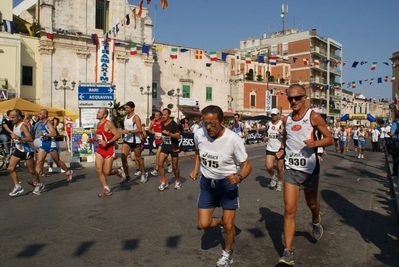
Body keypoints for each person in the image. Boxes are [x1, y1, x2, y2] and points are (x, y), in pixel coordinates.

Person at [274, 84, 333, 265]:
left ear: (304, 98)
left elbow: (329, 138)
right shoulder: (287, 119)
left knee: (312, 203)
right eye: (290, 98)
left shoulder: (313, 117)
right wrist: (282, 150)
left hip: (309, 169)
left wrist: (315, 144)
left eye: (297, 98)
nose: (293, 101)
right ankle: (288, 252)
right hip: (291, 169)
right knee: (289, 210)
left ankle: (315, 219)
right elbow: (286, 137)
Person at [189, 105, 252, 267]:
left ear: (222, 122)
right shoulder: (199, 133)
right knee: (203, 224)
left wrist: (238, 177)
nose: (208, 128)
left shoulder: (233, 139)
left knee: (230, 225)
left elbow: (247, 166)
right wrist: (196, 169)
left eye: (213, 124)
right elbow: (197, 151)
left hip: (227, 185)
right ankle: (222, 222)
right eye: (205, 123)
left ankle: (227, 252)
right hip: (207, 184)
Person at [35, 109, 73, 190]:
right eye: (39, 113)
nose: (39, 115)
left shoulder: (48, 122)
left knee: (57, 161)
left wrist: (44, 134)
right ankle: (35, 180)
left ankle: (68, 171)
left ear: (45, 115)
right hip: (44, 144)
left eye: (40, 113)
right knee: (39, 161)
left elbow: (54, 133)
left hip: (51, 144)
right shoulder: (41, 123)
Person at [90, 108, 124, 196]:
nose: (97, 113)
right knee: (98, 169)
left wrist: (108, 142)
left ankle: (118, 171)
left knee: (107, 172)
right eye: (97, 111)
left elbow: (118, 135)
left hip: (109, 150)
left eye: (99, 112)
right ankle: (106, 188)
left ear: (105, 115)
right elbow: (99, 137)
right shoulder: (98, 124)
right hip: (100, 150)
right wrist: (93, 139)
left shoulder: (108, 124)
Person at [7, 109, 41, 196]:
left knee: (31, 170)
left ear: (19, 117)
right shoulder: (14, 125)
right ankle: (17, 186)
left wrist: (18, 138)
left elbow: (30, 139)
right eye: (10, 117)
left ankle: (39, 183)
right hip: (19, 149)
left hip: (27, 150)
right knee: (10, 168)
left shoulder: (23, 126)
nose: (11, 119)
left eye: (13, 117)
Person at [120, 101, 148, 184]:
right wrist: (123, 131)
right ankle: (127, 176)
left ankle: (143, 173)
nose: (126, 109)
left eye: (127, 108)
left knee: (138, 158)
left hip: (135, 140)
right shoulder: (125, 117)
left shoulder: (136, 117)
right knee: (123, 157)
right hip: (127, 140)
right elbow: (125, 127)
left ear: (132, 108)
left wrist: (128, 131)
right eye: (126, 107)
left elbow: (139, 129)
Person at [157, 108, 181, 191]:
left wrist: (169, 134)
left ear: (169, 115)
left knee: (175, 167)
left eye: (165, 115)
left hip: (174, 147)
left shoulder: (174, 124)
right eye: (162, 115)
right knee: (160, 163)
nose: (163, 116)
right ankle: (164, 181)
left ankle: (177, 180)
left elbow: (177, 136)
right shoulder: (162, 123)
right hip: (165, 146)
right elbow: (163, 133)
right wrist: (161, 136)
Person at [264, 108, 284, 191]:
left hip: (279, 149)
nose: (273, 116)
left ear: (278, 115)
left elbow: (286, 134)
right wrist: (265, 137)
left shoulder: (281, 124)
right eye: (272, 114)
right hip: (270, 148)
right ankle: (273, 177)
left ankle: (279, 183)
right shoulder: (268, 124)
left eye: (275, 114)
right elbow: (265, 134)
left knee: (279, 169)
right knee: (268, 167)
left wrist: (282, 132)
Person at [148, 110, 172, 176]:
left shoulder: (163, 122)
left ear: (160, 116)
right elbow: (149, 130)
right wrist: (152, 132)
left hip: (163, 141)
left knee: (157, 155)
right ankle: (169, 164)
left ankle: (156, 169)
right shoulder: (153, 122)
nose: (155, 116)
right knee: (162, 156)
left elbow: (167, 130)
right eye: (154, 115)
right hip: (156, 141)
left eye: (157, 115)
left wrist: (162, 134)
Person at [388, 111, 399, 176]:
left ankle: (395, 172)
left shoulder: (395, 124)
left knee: (396, 158)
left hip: (396, 142)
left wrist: (388, 133)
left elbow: (391, 133)